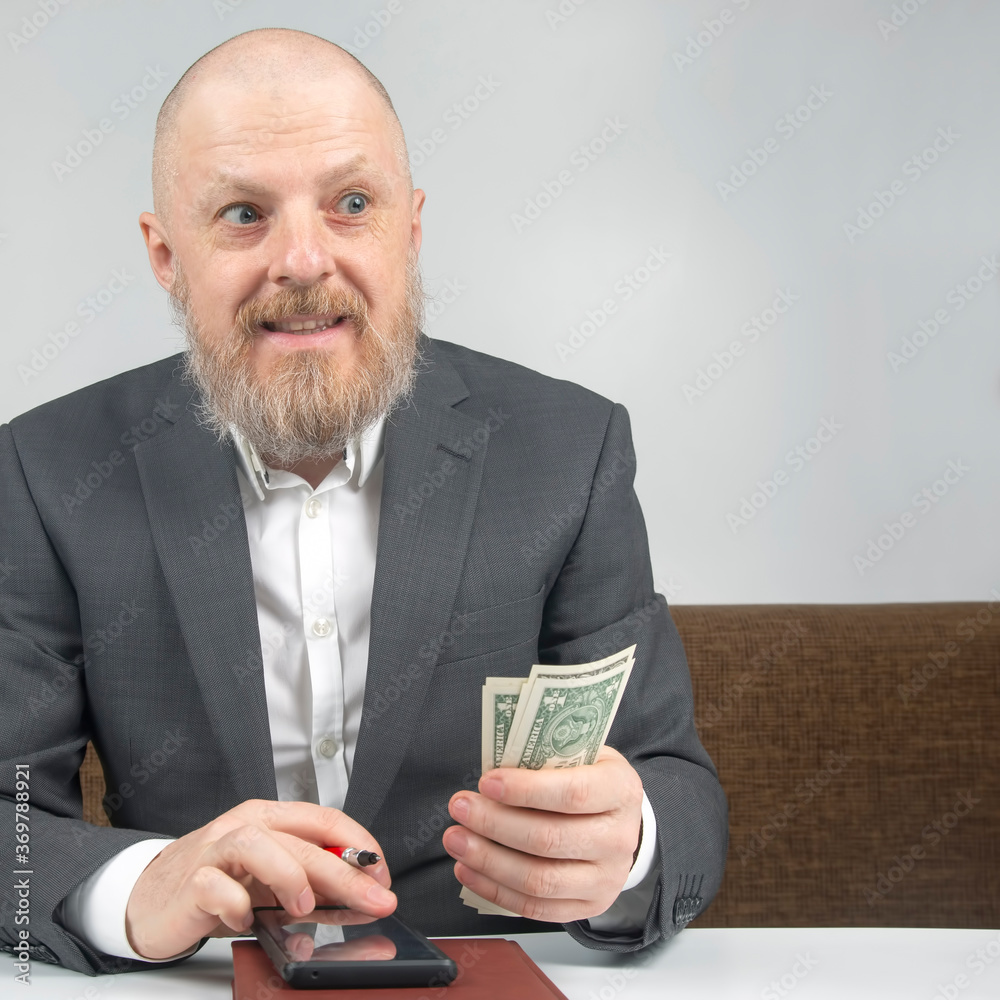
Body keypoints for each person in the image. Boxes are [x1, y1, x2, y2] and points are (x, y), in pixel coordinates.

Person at [0, 28, 727, 976]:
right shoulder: (46, 469)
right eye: (243, 213)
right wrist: (138, 887)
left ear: (409, 231)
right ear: (166, 255)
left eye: (351, 204)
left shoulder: (568, 451)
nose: (304, 261)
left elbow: (680, 794)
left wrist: (628, 849)